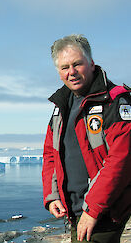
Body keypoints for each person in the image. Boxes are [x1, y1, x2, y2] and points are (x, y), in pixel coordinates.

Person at [42, 34, 131, 242]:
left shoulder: (114, 101)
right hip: (75, 211)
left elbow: (121, 160)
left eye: (77, 64)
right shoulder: (62, 106)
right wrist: (52, 194)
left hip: (105, 211)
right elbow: (50, 154)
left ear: (91, 63)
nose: (71, 72)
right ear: (58, 72)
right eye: (64, 67)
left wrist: (92, 210)